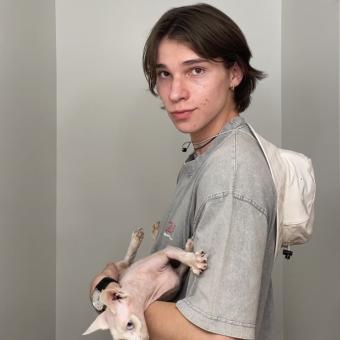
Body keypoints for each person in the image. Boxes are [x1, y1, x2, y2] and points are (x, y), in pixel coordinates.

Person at [91, 3, 276, 340]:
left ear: (235, 73)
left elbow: (217, 337)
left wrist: (114, 298)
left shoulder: (231, 173)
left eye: (196, 71)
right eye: (165, 74)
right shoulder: (207, 155)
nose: (175, 93)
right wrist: (115, 287)